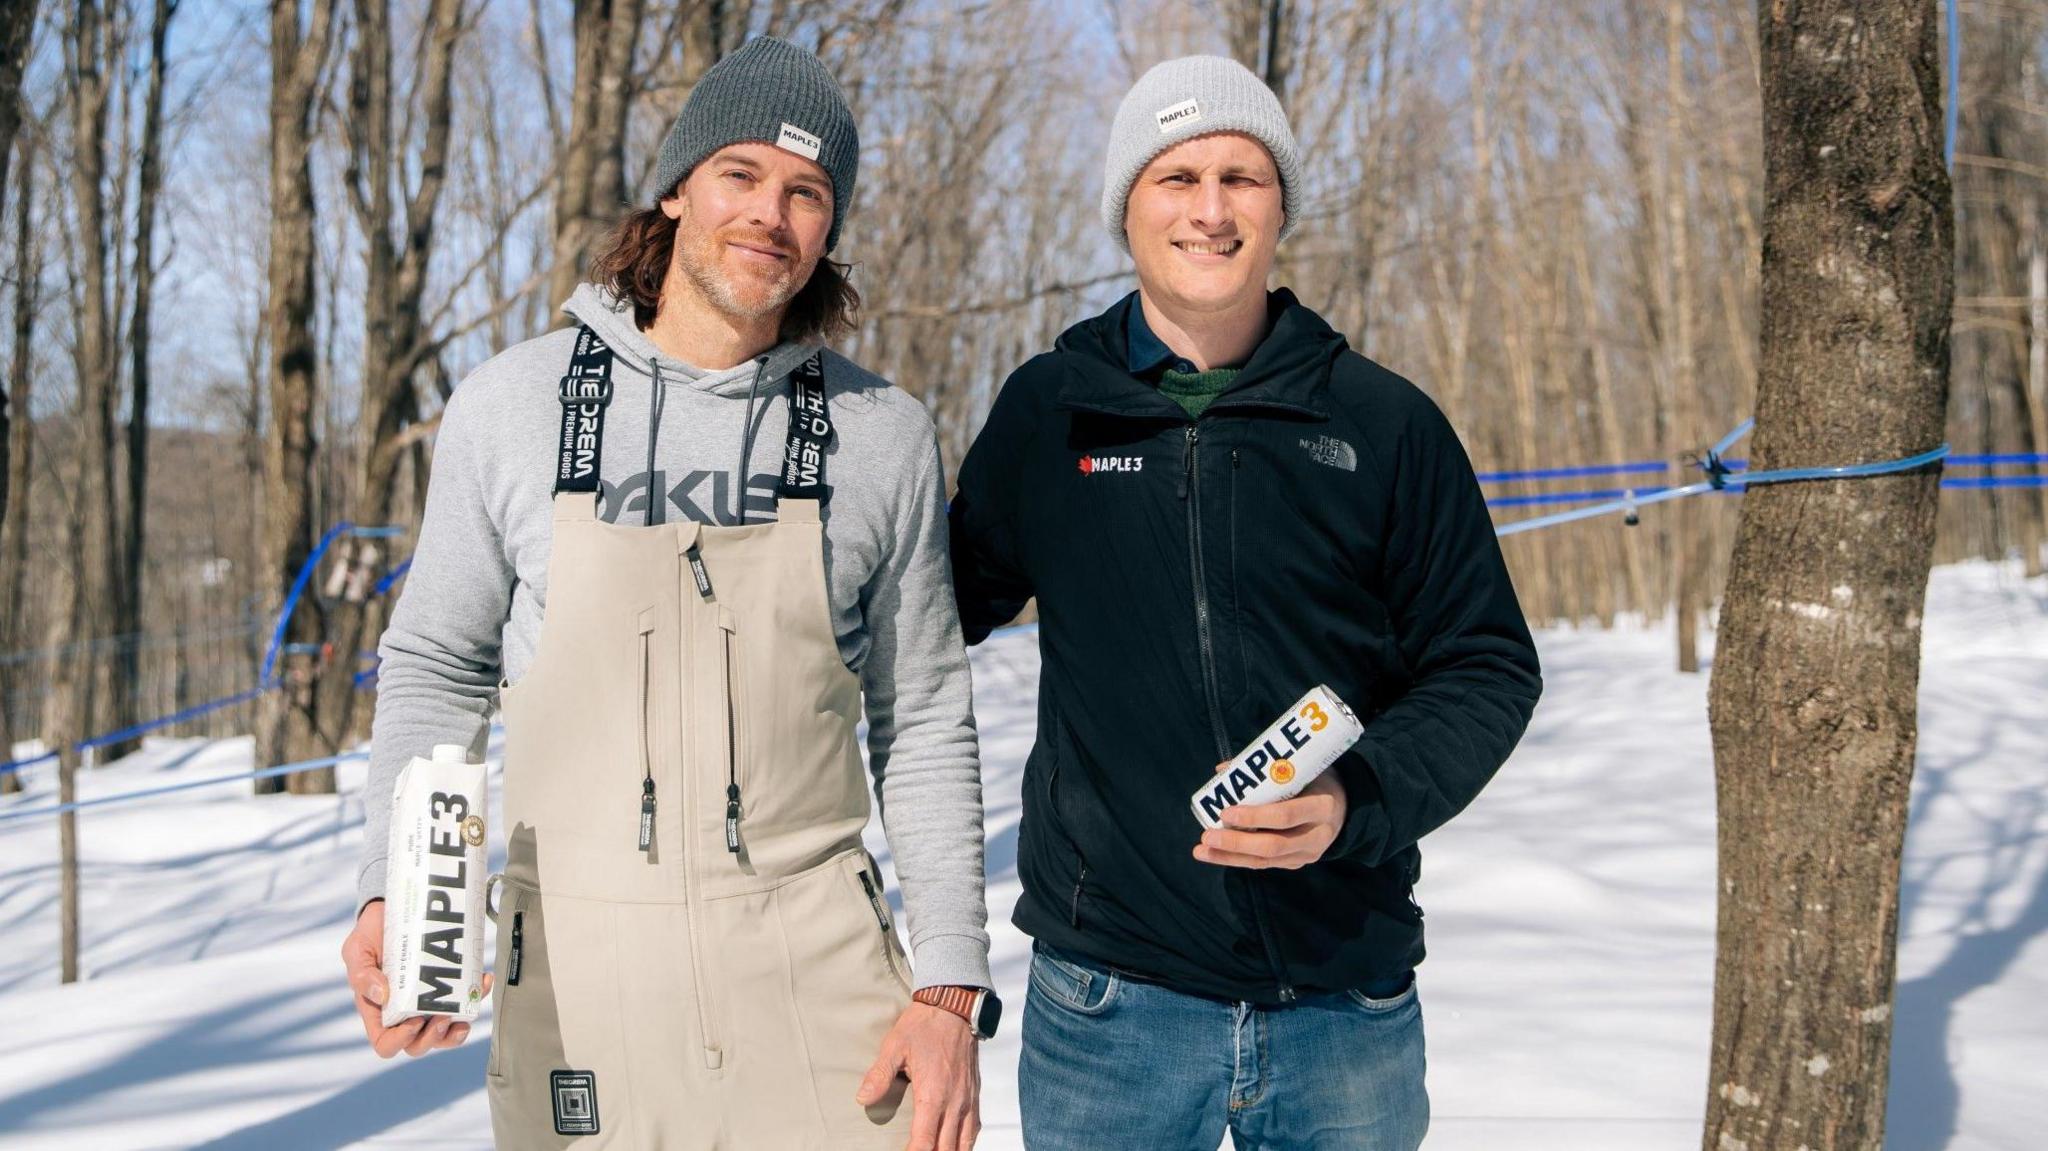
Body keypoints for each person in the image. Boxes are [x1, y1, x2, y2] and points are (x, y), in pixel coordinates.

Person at [339, 36, 998, 1151]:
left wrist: (947, 985)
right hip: (580, 998)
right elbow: (436, 663)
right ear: (676, 187)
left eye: (806, 192)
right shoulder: (511, 408)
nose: (769, 215)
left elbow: (924, 712)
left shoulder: (881, 437)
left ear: (829, 227)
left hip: (823, 997)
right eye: (739, 175)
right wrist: (392, 890)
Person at [948, 56, 1542, 1150]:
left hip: (1342, 1001)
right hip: (1110, 1003)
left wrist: (1352, 800)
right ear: (1127, 207)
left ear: (1279, 209)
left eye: (1241, 177)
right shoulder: (1050, 412)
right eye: (1175, 177)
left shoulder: (1380, 422)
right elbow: (938, 604)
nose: (1209, 209)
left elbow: (1484, 663)